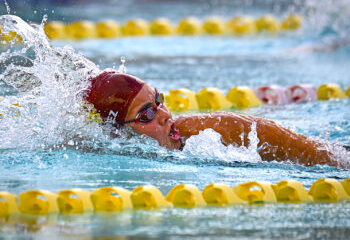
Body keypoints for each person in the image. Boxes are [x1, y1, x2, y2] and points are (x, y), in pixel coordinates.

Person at [85, 70, 344, 167]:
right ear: (116, 132)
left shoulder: (200, 132)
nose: (165, 115)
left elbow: (316, 153)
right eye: (147, 114)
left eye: (158, 101)